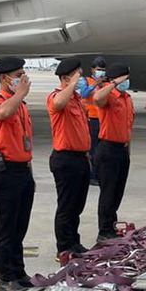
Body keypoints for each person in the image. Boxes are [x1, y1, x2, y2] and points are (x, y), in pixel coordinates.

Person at [0, 57, 36, 291]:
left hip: (23, 170)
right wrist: (20, 93)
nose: (22, 78)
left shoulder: (21, 104)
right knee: (6, 228)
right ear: (5, 78)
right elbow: (2, 113)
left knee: (19, 226)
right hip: (5, 172)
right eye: (18, 74)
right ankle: (5, 277)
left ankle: (18, 271)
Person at [46, 58, 91, 257]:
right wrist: (71, 84)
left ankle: (74, 242)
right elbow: (58, 104)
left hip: (81, 158)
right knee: (67, 205)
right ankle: (64, 247)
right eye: (77, 75)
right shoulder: (57, 96)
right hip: (65, 159)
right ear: (65, 78)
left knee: (77, 205)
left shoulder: (77, 100)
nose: (82, 79)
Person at [93, 64, 134, 243]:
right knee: (108, 193)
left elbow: (128, 127)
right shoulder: (108, 95)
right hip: (108, 149)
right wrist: (114, 83)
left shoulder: (127, 98)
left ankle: (111, 224)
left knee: (117, 192)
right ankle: (104, 230)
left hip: (122, 150)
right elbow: (97, 98)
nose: (127, 82)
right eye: (125, 78)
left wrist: (128, 151)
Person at [82, 57, 105, 185]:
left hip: (102, 118)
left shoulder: (106, 82)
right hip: (91, 118)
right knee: (93, 148)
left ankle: (99, 173)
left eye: (102, 70)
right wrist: (95, 84)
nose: (100, 72)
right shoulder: (86, 81)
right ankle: (92, 175)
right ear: (92, 70)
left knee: (101, 148)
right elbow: (83, 94)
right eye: (98, 70)